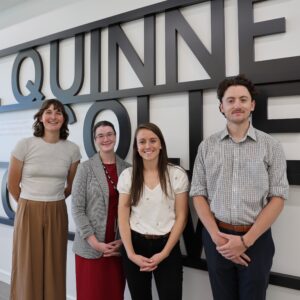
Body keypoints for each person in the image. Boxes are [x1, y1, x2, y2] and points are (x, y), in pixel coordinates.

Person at [190, 74, 289, 300]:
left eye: (243, 100)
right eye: (231, 100)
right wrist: (216, 236)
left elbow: (279, 197)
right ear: (221, 107)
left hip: (256, 240)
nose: (237, 105)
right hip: (217, 239)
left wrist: (245, 241)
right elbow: (198, 193)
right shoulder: (207, 146)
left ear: (252, 105)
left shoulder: (270, 146)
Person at [8, 99, 81, 300]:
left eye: (58, 113)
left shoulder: (72, 150)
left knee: (54, 263)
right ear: (41, 117)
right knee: (27, 263)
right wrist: (29, 203)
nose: (53, 116)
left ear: (64, 119)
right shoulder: (25, 145)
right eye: (48, 112)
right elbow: (12, 184)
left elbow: (70, 186)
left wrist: (53, 199)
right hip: (28, 208)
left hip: (57, 209)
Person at [118, 122, 189, 300]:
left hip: (167, 246)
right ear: (136, 147)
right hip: (135, 245)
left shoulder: (176, 174)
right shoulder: (128, 175)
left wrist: (164, 253)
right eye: (142, 142)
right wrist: (131, 254)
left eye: (153, 140)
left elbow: (182, 216)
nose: (147, 146)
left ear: (161, 144)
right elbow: (123, 215)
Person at [71, 120, 130, 300]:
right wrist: (95, 242)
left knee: (113, 294)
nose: (106, 139)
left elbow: (132, 209)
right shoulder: (85, 168)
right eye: (101, 135)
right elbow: (77, 208)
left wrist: (122, 241)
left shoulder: (127, 169)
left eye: (109, 134)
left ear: (115, 136)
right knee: (91, 294)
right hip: (90, 246)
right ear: (95, 140)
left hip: (116, 247)